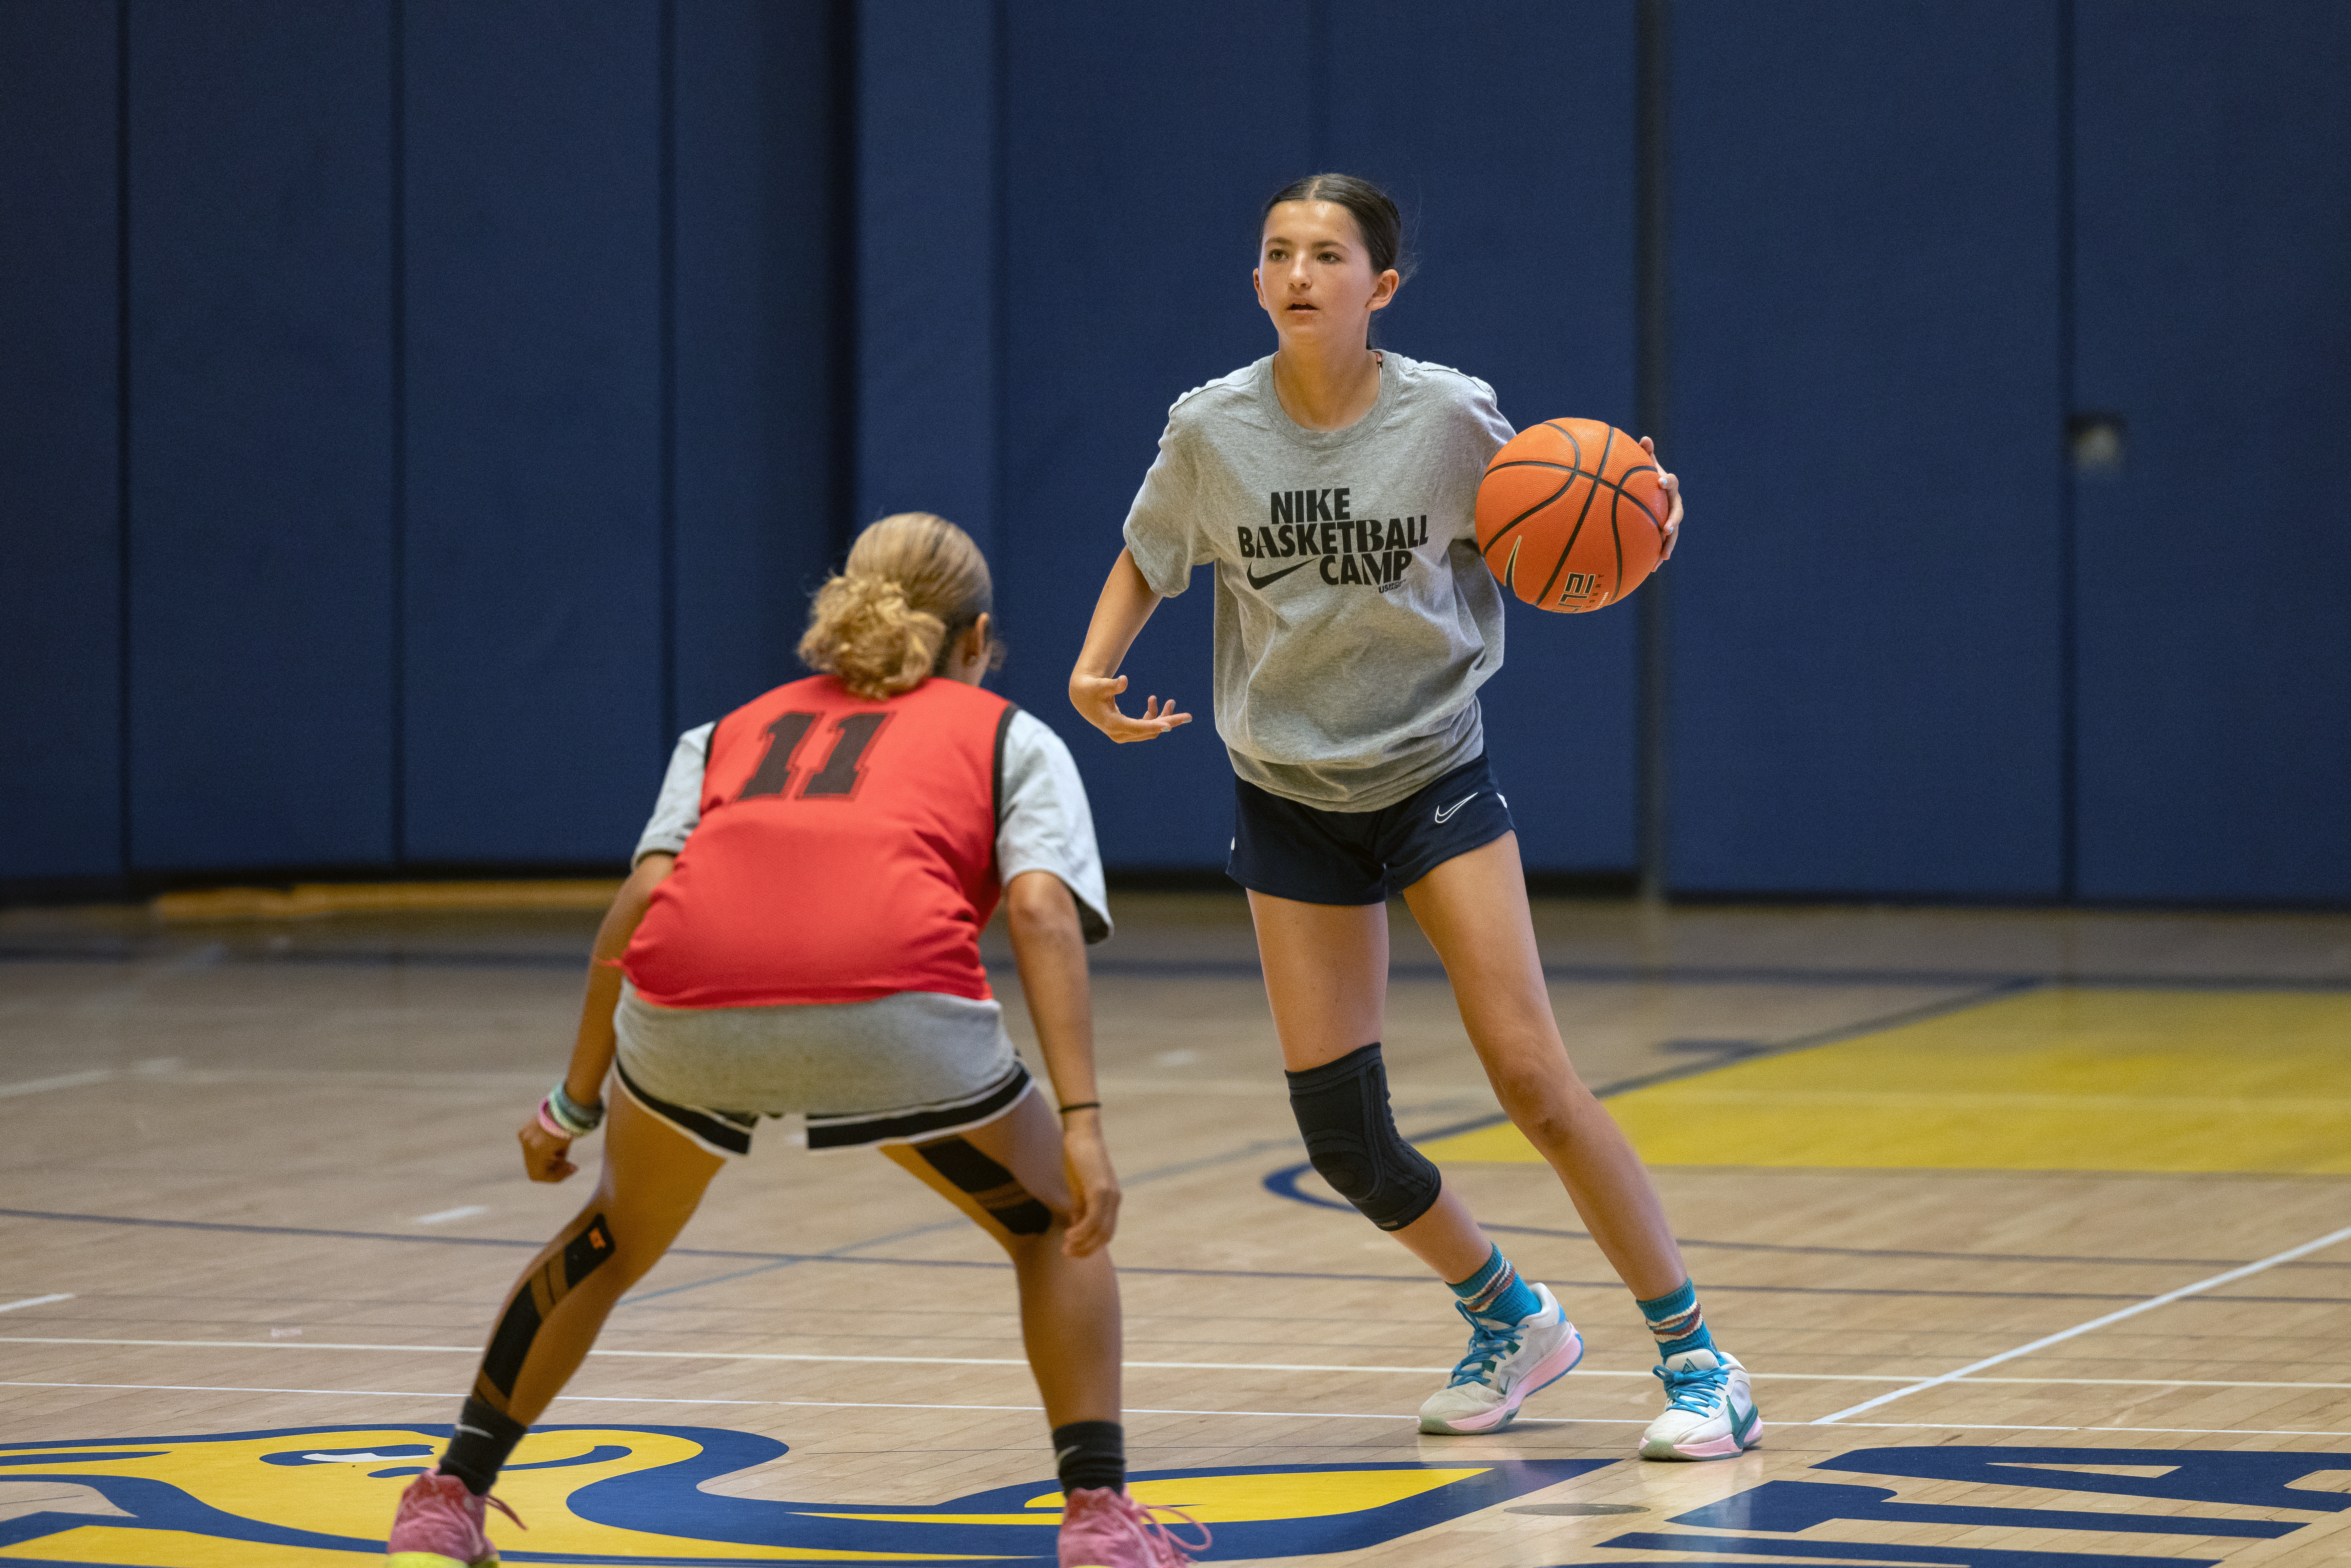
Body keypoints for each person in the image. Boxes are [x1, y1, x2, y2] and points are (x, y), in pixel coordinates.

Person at [1067, 175, 1758, 1462]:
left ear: (1378, 288)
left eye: (1326, 254)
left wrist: (1635, 520)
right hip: (1285, 789)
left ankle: (1699, 1358)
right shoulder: (1209, 429)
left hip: (1432, 771)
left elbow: (1547, 528)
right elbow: (1150, 552)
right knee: (1343, 1134)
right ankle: (1510, 1316)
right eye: (1275, 250)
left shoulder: (1447, 416)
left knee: (1531, 1078)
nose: (1295, 272)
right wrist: (1092, 666)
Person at [385, 514, 1205, 1568]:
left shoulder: (728, 730)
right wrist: (1085, 1125)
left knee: (614, 1237)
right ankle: (1097, 1518)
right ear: (978, 636)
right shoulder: (1008, 733)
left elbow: (639, 901)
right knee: (1054, 1230)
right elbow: (1041, 914)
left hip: (688, 1013)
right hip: (893, 1011)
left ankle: (450, 1494)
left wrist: (573, 1104)